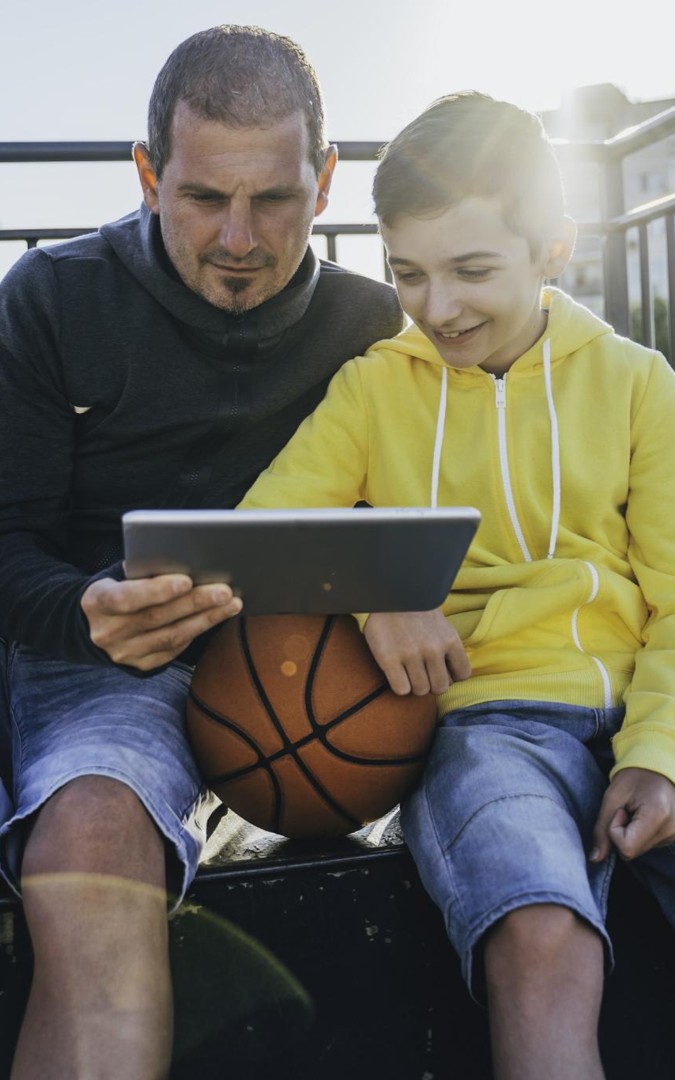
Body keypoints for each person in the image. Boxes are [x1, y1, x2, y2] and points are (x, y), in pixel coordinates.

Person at [239, 91, 675, 1078]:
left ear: (554, 248)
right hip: (486, 724)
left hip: (652, 707)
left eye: (473, 270)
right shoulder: (372, 388)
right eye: (409, 274)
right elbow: (262, 534)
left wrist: (659, 754)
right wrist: (377, 590)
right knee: (538, 930)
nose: (439, 307)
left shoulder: (637, 383)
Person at [0, 24, 402, 1079]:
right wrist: (83, 607)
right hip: (100, 669)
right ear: (146, 174)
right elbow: (4, 542)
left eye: (273, 199)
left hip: (319, 674)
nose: (239, 236)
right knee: (93, 831)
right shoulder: (51, 298)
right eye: (202, 198)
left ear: (323, 182)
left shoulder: (386, 330)